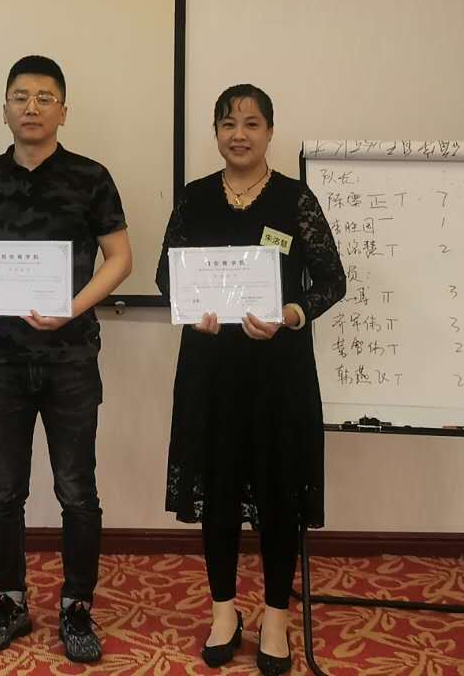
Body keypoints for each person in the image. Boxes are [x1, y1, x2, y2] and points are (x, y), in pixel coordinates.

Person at [155, 84, 345, 675]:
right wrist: (192, 309)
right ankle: (223, 612)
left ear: (269, 131)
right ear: (215, 132)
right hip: (210, 370)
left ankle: (277, 617)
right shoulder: (194, 198)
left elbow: (332, 280)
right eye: (228, 123)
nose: (239, 134)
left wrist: (292, 314)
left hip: (278, 373)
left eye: (251, 123)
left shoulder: (295, 199)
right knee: (217, 491)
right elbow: (166, 275)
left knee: (278, 493)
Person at [0, 54, 132, 665]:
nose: (31, 108)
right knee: (4, 489)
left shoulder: (90, 176)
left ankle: (77, 606)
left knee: (76, 490)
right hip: (2, 359)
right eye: (20, 97)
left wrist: (72, 308)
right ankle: (9, 600)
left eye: (44, 98)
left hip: (70, 359)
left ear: (63, 110)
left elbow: (120, 258)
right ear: (4, 107)